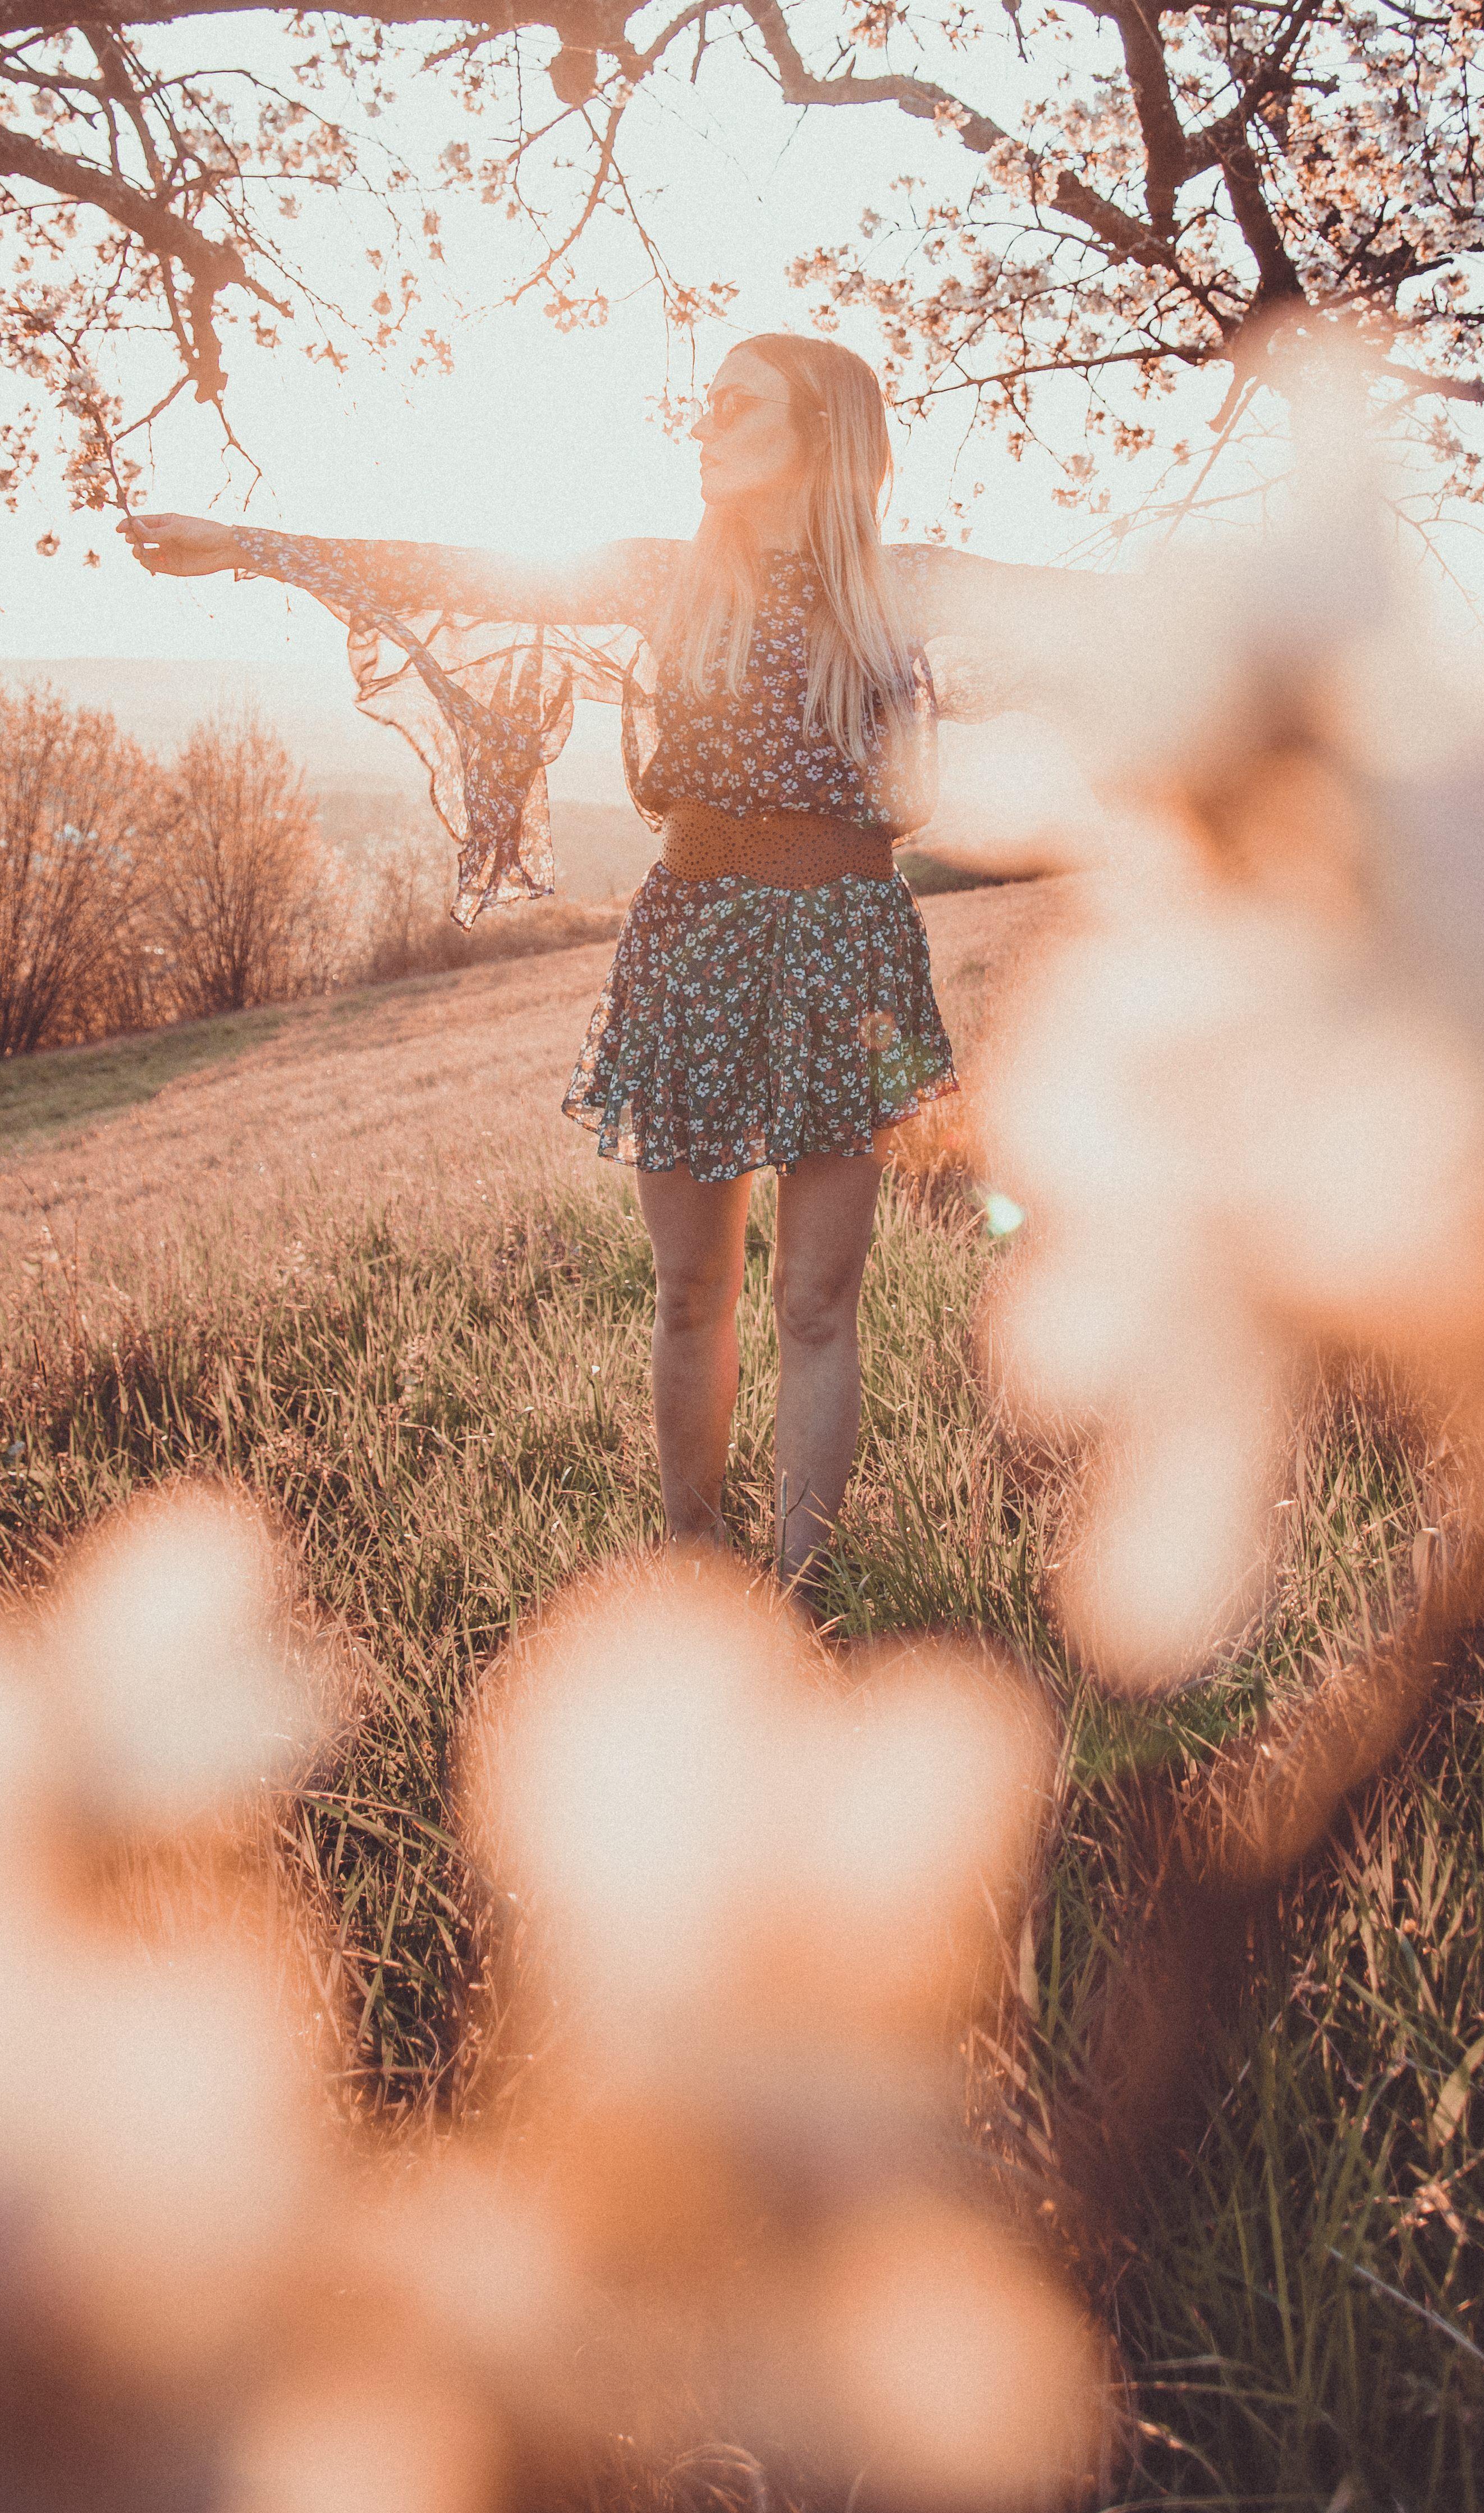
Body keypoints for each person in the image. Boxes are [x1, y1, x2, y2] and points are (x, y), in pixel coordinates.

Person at [124, 333, 1042, 1591]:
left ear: (818, 434)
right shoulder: (663, 579)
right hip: (695, 945)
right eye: (704, 399)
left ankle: (807, 1590)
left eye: (738, 405)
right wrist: (249, 545)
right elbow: (451, 572)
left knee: (819, 1305)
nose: (702, 420)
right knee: (690, 1292)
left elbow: (1110, 623)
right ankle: (693, 1569)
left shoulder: (908, 589)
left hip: (851, 954)